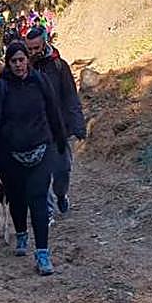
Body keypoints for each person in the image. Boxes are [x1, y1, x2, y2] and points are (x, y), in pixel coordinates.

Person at [0, 41, 68, 275]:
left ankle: (42, 253)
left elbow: (53, 111)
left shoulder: (40, 82)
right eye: (14, 61)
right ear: (8, 63)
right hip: (9, 154)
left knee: (38, 199)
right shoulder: (1, 87)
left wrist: (60, 142)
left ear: (27, 60)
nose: (18, 65)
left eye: (22, 59)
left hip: (41, 149)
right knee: (17, 199)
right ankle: (21, 233)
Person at [24, 26, 86, 215]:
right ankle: (46, 210)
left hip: (59, 128)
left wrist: (78, 125)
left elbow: (70, 97)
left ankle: (61, 195)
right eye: (30, 49)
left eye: (36, 48)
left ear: (44, 43)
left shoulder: (60, 66)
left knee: (62, 170)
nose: (33, 52)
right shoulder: (23, 68)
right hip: (35, 130)